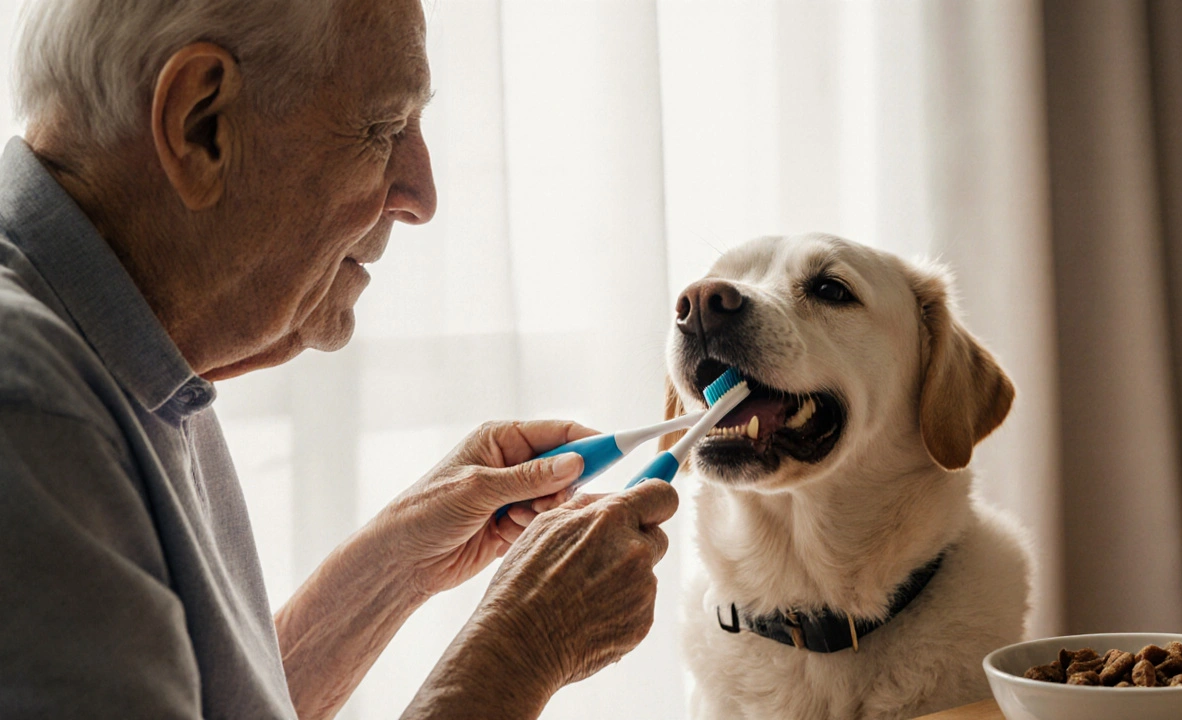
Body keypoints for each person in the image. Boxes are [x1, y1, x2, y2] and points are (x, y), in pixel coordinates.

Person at [0, 0, 679, 717]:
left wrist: (396, 567)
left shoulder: (124, 343)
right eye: (383, 129)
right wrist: (522, 649)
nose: (421, 197)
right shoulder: (32, 413)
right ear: (200, 125)